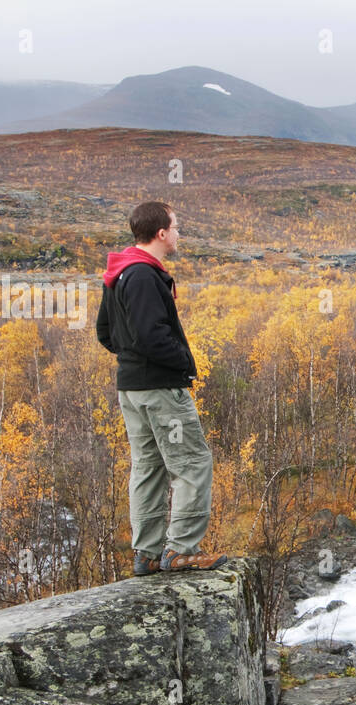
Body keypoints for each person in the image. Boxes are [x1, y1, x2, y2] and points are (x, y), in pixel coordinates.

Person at [95, 201, 228, 574]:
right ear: (161, 233)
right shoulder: (142, 276)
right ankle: (181, 550)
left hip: (132, 389)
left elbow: (105, 332)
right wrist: (183, 363)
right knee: (192, 464)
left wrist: (132, 363)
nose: (179, 232)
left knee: (149, 467)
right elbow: (151, 338)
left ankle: (148, 554)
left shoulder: (120, 273)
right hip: (159, 389)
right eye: (176, 226)